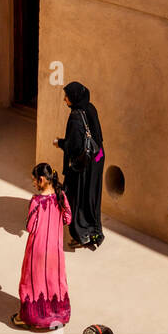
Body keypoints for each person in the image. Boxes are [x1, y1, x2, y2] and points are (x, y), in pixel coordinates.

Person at [12, 163, 72, 330]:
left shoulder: (36, 202)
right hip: (56, 250)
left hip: (37, 251)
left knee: (32, 282)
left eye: (35, 180)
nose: (33, 184)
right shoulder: (61, 196)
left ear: (43, 180)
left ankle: (30, 318)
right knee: (55, 281)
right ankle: (58, 315)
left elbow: (31, 227)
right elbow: (68, 218)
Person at [56, 81, 105, 250]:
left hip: (83, 164)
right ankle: (94, 232)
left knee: (77, 198)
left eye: (67, 96)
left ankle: (80, 234)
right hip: (97, 159)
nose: (65, 100)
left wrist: (60, 143)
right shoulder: (90, 108)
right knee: (92, 197)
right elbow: (98, 137)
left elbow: (74, 146)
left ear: (74, 97)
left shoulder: (76, 116)